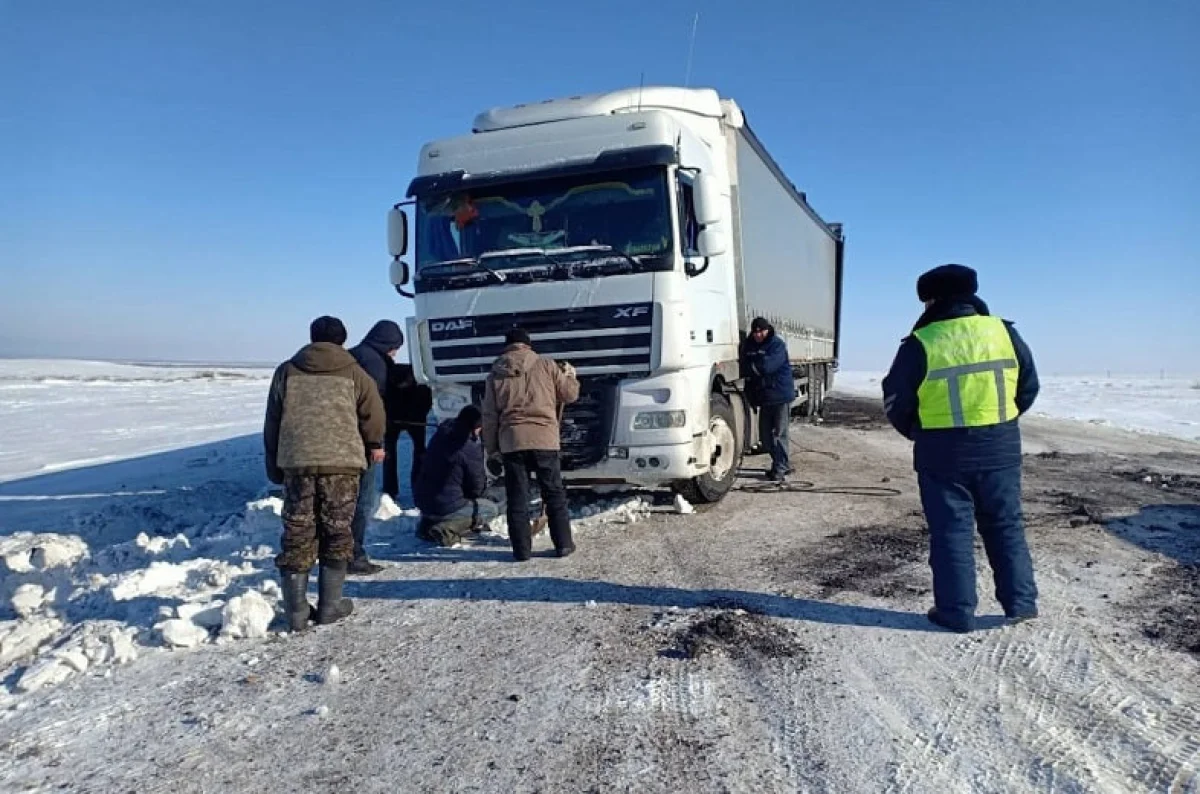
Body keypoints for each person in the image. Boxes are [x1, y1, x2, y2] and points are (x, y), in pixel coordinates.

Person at [882, 264, 1041, 633]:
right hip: (1000, 448)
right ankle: (1020, 604)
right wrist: (1000, 422)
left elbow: (895, 399)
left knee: (951, 532)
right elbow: (1029, 386)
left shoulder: (922, 342)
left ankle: (956, 613)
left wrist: (919, 432)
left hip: (941, 454)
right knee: (1006, 526)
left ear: (932, 300)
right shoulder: (1003, 332)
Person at [263, 316, 385, 630]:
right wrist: (374, 444)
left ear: (312, 337)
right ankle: (330, 605)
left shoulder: (286, 371)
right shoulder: (356, 373)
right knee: (337, 530)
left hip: (297, 464)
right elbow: (373, 414)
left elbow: (273, 421)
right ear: (343, 340)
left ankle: (297, 613)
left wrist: (275, 465)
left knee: (298, 532)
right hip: (342, 464)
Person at [482, 327, 580, 561]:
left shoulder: (495, 374)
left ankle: (522, 551)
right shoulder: (547, 365)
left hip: (512, 441)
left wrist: (492, 448)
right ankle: (563, 544)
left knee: (517, 497)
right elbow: (570, 395)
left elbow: (489, 416)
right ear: (528, 345)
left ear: (507, 346)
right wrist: (570, 376)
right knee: (553, 492)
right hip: (545, 439)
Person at [347, 319, 404, 575]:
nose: (395, 353)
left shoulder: (351, 356)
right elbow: (373, 408)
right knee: (363, 499)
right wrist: (376, 442)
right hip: (360, 440)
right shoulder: (376, 365)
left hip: (339, 438)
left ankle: (336, 551)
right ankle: (354, 555)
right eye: (395, 347)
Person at [413, 405, 504, 546]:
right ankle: (447, 528)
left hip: (423, 501)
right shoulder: (469, 447)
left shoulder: (440, 434)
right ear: (476, 427)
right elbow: (477, 488)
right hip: (445, 505)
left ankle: (427, 525)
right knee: (491, 509)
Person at [741, 317, 797, 481]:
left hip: (780, 395)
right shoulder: (749, 344)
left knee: (779, 433)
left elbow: (767, 366)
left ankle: (781, 466)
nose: (758, 335)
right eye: (755, 331)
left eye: (761, 331)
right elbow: (743, 364)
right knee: (765, 437)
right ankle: (779, 463)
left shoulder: (776, 344)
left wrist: (752, 367)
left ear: (767, 330)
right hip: (764, 397)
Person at [384, 359, 433, 502]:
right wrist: (421, 414)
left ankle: (390, 490)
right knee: (419, 451)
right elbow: (427, 399)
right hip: (413, 417)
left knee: (390, 452)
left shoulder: (389, 377)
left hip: (395, 417)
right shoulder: (418, 378)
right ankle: (418, 487)